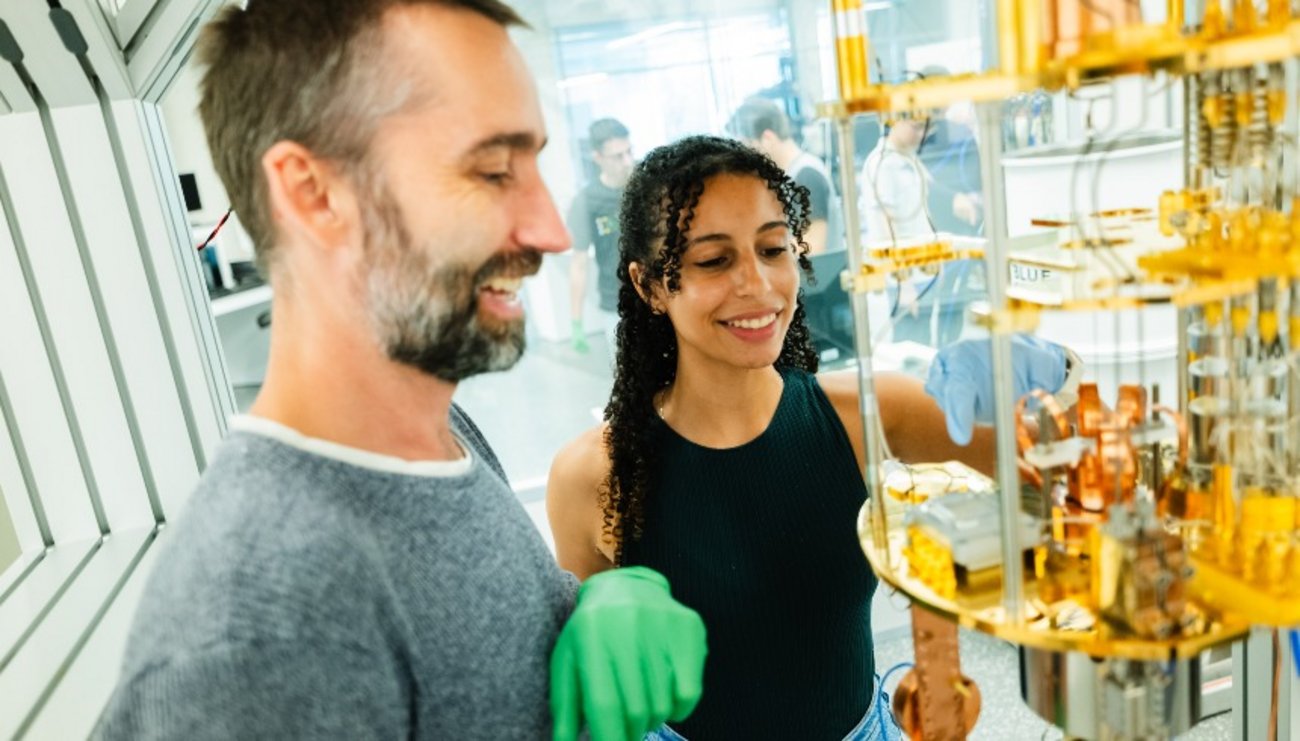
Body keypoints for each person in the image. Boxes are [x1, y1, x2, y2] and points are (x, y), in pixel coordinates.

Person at [93, 2, 705, 740]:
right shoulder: (258, 635)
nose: (550, 230)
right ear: (314, 194)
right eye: (492, 171)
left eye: (534, 168)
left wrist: (586, 604)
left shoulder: (437, 431)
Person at [547, 136, 1070, 740]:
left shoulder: (866, 414)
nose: (758, 283)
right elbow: (600, 690)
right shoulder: (594, 475)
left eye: (773, 249)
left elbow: (1061, 465)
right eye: (714, 260)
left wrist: (1048, 376)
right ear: (650, 287)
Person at [730, 97, 842, 255]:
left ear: (767, 138)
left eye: (749, 146)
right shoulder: (788, 176)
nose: (746, 157)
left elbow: (811, 247)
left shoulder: (806, 174)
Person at [569, 118, 635, 355]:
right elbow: (579, 263)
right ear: (597, 157)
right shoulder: (586, 202)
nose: (627, 161)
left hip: (659, 297)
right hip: (616, 305)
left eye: (629, 152)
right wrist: (576, 322)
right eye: (618, 156)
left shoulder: (646, 184)